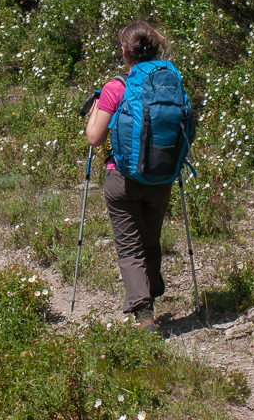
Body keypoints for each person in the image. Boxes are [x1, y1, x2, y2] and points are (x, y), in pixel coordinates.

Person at [85, 21, 172, 333]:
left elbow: (94, 138)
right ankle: (152, 286)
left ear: (125, 51)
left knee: (129, 247)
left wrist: (97, 107)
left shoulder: (116, 86)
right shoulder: (168, 82)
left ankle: (144, 310)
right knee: (151, 240)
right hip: (161, 177)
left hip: (121, 179)